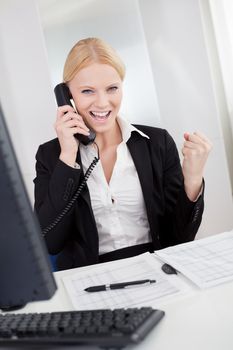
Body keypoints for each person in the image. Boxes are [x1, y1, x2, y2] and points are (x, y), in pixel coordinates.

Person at [34, 37, 212, 270]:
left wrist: (193, 178)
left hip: (155, 269)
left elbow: (180, 238)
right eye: (87, 91)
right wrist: (68, 156)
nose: (102, 102)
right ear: (67, 96)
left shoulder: (157, 143)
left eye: (112, 88)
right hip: (91, 278)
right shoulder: (50, 156)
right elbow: (50, 242)